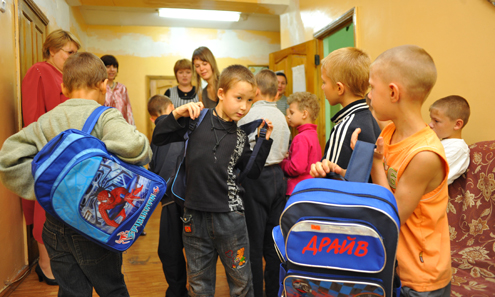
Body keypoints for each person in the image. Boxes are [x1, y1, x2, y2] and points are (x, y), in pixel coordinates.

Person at [0, 52, 151, 297]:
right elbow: (136, 148)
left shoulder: (46, 121)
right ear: (104, 84)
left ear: (64, 87)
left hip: (55, 223)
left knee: (71, 291)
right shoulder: (106, 115)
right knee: (111, 288)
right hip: (94, 227)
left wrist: (47, 188)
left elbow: (8, 161)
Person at [311, 45, 452, 297]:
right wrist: (339, 171)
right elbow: (380, 187)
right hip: (393, 265)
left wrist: (376, 162)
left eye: (372, 88)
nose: (368, 96)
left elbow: (391, 215)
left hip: (420, 278)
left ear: (393, 92)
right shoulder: (388, 133)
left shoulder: (424, 154)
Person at [152, 65, 274, 297]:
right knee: (199, 287)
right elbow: (159, 137)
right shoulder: (196, 120)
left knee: (241, 285)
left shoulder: (239, 136)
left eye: (249, 101)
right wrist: (177, 114)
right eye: (238, 98)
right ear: (220, 93)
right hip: (193, 219)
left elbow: (253, 171)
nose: (244, 107)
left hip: (231, 221)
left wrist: (263, 142)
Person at [21, 28, 81, 285]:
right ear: (52, 50)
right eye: (69, 52)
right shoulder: (39, 71)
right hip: (48, 151)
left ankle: (59, 261)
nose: (72, 57)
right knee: (44, 210)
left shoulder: (64, 75)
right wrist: (44, 150)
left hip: (65, 151)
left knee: (61, 210)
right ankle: (44, 265)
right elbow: (33, 116)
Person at [237, 69, 290, 297]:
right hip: (278, 178)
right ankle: (274, 291)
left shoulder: (248, 115)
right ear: (275, 91)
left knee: (253, 242)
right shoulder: (284, 118)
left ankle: (255, 292)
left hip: (255, 178)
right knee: (273, 241)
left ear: (255, 90)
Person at [147, 94, 188, 297]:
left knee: (169, 250)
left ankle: (177, 291)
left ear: (151, 118)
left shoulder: (156, 135)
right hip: (190, 196)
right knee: (196, 247)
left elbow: (152, 169)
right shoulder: (188, 126)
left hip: (169, 199)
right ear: (172, 107)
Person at [316, 47, 381, 171]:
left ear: (339, 88)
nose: (322, 87)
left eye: (324, 82)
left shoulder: (345, 127)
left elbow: (331, 178)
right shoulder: (369, 119)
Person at [281, 92, 322, 196]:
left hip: (298, 190)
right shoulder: (313, 135)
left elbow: (296, 168)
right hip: (310, 187)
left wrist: (282, 161)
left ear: (304, 114)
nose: (288, 116)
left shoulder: (301, 137)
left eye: (292, 112)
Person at [429, 95, 471, 185]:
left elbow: (431, 178)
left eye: (436, 121)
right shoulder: (440, 143)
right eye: (431, 119)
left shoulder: (458, 149)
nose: (430, 124)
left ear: (457, 125)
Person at [100, 55, 135, 125]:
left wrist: (132, 128)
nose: (112, 69)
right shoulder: (98, 87)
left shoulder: (122, 88)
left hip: (121, 126)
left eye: (114, 67)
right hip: (103, 126)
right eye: (108, 67)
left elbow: (128, 110)